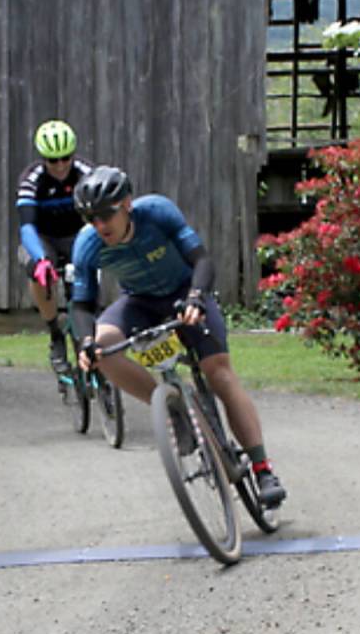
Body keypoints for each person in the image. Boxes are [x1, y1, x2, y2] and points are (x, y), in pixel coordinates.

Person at [70, 165, 287, 508]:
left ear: (126, 204)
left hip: (186, 294)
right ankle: (172, 409)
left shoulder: (157, 212)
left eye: (105, 215)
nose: (99, 225)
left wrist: (197, 297)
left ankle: (262, 469)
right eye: (90, 218)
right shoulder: (87, 245)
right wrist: (87, 343)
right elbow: (82, 304)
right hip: (139, 302)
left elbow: (201, 260)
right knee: (104, 349)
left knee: (219, 374)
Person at [16, 119, 95, 369]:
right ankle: (55, 333)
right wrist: (40, 260)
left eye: (65, 158)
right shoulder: (32, 179)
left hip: (77, 235)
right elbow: (27, 227)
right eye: (53, 160)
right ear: (43, 159)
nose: (60, 166)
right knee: (39, 272)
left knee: (86, 277)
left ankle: (87, 333)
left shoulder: (85, 173)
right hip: (43, 237)